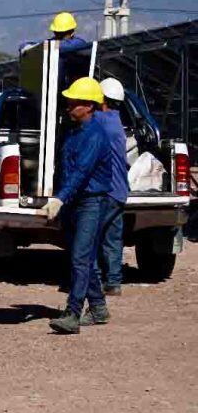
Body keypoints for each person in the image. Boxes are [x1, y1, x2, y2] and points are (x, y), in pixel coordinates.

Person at [42, 77, 125, 334]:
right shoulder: (73, 133)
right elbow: (65, 170)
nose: (69, 106)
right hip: (76, 202)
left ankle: (73, 313)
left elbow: (82, 171)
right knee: (83, 257)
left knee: (80, 257)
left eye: (74, 103)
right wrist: (61, 197)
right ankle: (98, 308)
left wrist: (60, 198)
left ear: (89, 106)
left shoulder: (94, 135)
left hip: (92, 202)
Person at [97, 77, 131, 297]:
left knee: (92, 235)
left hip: (104, 190)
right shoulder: (117, 122)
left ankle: (96, 279)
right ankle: (114, 282)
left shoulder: (99, 121)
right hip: (120, 190)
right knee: (112, 237)